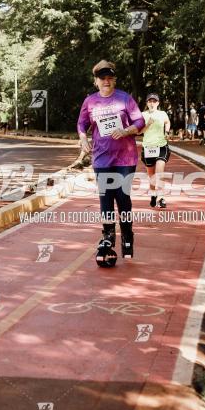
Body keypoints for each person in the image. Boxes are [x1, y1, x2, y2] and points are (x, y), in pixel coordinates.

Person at [77, 59, 144, 266]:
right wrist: (82, 138)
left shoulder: (125, 99)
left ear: (114, 80)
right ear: (96, 81)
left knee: (122, 198)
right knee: (106, 198)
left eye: (109, 78)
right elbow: (82, 123)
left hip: (125, 157)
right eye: (102, 78)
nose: (106, 81)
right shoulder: (90, 101)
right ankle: (107, 236)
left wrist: (126, 130)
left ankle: (127, 235)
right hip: (101, 158)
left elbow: (140, 122)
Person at [140, 93, 171, 208]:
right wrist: (147, 125)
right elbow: (139, 131)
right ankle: (153, 194)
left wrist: (167, 132)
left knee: (159, 172)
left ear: (158, 103)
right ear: (147, 103)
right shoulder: (142, 115)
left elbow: (167, 122)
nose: (152, 103)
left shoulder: (162, 114)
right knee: (152, 175)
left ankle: (162, 197)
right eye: (150, 101)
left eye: (154, 101)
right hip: (148, 147)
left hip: (161, 146)